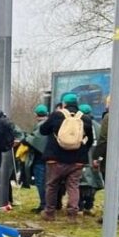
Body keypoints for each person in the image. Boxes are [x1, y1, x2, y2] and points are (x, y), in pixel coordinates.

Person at [39, 93, 94, 221]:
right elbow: (90, 139)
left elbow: (43, 130)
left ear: (64, 103)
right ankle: (72, 215)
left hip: (55, 158)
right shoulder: (85, 118)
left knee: (52, 185)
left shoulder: (57, 115)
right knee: (73, 186)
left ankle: (49, 213)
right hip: (77, 160)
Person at [93, 97, 119, 221]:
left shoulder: (109, 117)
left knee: (111, 184)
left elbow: (104, 139)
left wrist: (97, 157)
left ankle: (111, 213)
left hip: (112, 156)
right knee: (117, 183)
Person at [22, 104, 50, 213]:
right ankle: (49, 204)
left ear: (36, 114)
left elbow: (33, 140)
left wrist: (25, 139)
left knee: (41, 182)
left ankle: (44, 204)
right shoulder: (50, 124)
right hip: (50, 159)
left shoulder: (41, 125)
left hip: (40, 159)